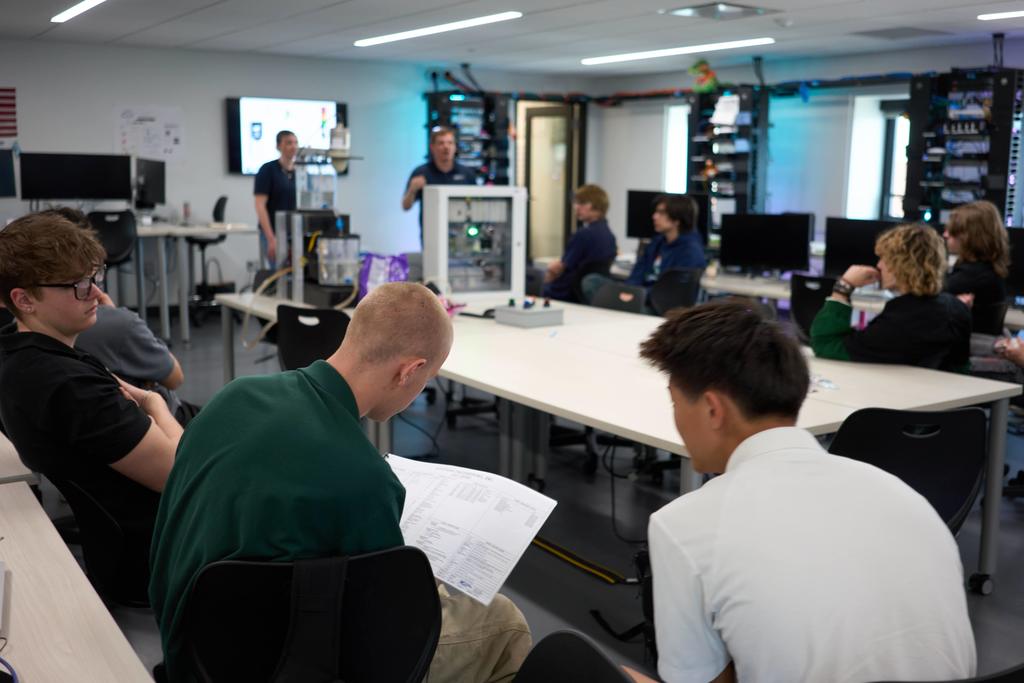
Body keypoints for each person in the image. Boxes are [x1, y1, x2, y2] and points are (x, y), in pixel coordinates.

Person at [149, 282, 531, 683]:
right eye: (427, 378)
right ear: (410, 370)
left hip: (192, 653)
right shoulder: (365, 479)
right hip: (278, 665)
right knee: (505, 623)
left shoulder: (233, 396)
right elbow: (384, 630)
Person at [630, 299, 976, 683]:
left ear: (713, 409)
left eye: (674, 402)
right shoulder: (907, 498)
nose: (675, 416)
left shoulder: (682, 525)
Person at [0, 212, 182, 598]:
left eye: (95, 279)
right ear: (24, 299)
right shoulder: (69, 386)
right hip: (166, 549)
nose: (97, 294)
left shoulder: (26, 354)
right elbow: (183, 475)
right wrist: (155, 404)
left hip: (128, 540)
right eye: (78, 286)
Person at [36, 207, 196, 426]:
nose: (94, 290)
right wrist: (114, 317)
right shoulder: (116, 326)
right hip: (165, 422)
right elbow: (175, 377)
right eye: (81, 282)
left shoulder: (22, 340)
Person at [811, 223, 971, 372]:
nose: (879, 265)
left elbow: (826, 344)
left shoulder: (902, 317)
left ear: (902, 265)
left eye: (884, 259)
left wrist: (844, 287)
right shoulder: (956, 306)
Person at [581, 194, 705, 305]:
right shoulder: (657, 243)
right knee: (592, 281)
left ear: (677, 220)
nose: (654, 216)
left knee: (611, 300)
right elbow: (638, 272)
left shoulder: (691, 252)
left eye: (661, 213)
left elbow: (670, 293)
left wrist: (637, 294)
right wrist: (629, 291)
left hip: (657, 306)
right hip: (639, 296)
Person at [541, 184, 618, 302]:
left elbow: (560, 268)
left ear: (595, 206)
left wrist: (549, 273)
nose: (576, 207)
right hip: (585, 293)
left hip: (568, 292)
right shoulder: (609, 235)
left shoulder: (583, 235)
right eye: (576, 203)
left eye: (582, 203)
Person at [942, 200, 1010, 332]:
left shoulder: (970, 277)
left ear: (971, 236)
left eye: (954, 231)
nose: (945, 234)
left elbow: (924, 301)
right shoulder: (989, 270)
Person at [402, 125, 475, 243]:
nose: (446, 147)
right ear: (432, 147)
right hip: (431, 235)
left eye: (450, 143)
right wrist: (412, 189)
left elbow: (477, 205)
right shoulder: (421, 173)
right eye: (441, 143)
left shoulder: (467, 174)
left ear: (455, 147)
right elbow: (405, 206)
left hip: (462, 236)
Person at [254, 129, 298, 267]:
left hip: (295, 234)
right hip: (274, 233)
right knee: (277, 275)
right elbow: (260, 205)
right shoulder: (268, 170)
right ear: (279, 146)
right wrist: (271, 239)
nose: (293, 146)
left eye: (295, 143)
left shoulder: (300, 172)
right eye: (289, 143)